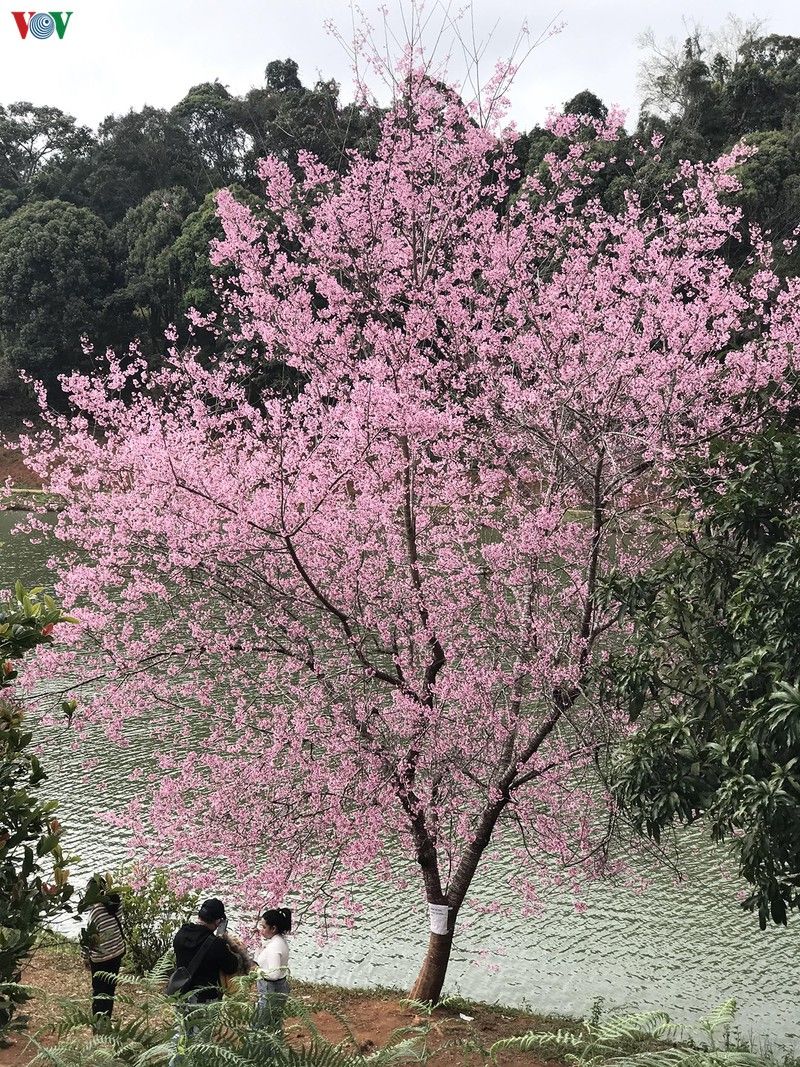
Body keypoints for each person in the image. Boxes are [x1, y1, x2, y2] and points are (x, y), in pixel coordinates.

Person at [172, 897, 241, 1004]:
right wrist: (229, 944)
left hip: (182, 996)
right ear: (218, 921)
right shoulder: (216, 944)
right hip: (205, 999)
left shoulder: (181, 934)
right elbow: (232, 967)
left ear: (199, 916)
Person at [80, 879, 126, 1019]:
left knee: (99, 991)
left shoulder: (96, 911)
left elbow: (89, 937)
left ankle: (99, 1022)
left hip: (100, 958)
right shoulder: (118, 903)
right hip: (117, 951)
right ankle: (107, 1018)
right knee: (110, 988)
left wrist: (85, 957)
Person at [254, 907, 291, 1031]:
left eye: (264, 927)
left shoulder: (274, 947)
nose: (261, 930)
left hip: (270, 988)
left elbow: (274, 974)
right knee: (274, 1024)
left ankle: (258, 1049)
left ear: (273, 928)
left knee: (260, 1025)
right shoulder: (280, 941)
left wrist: (257, 971)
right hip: (281, 986)